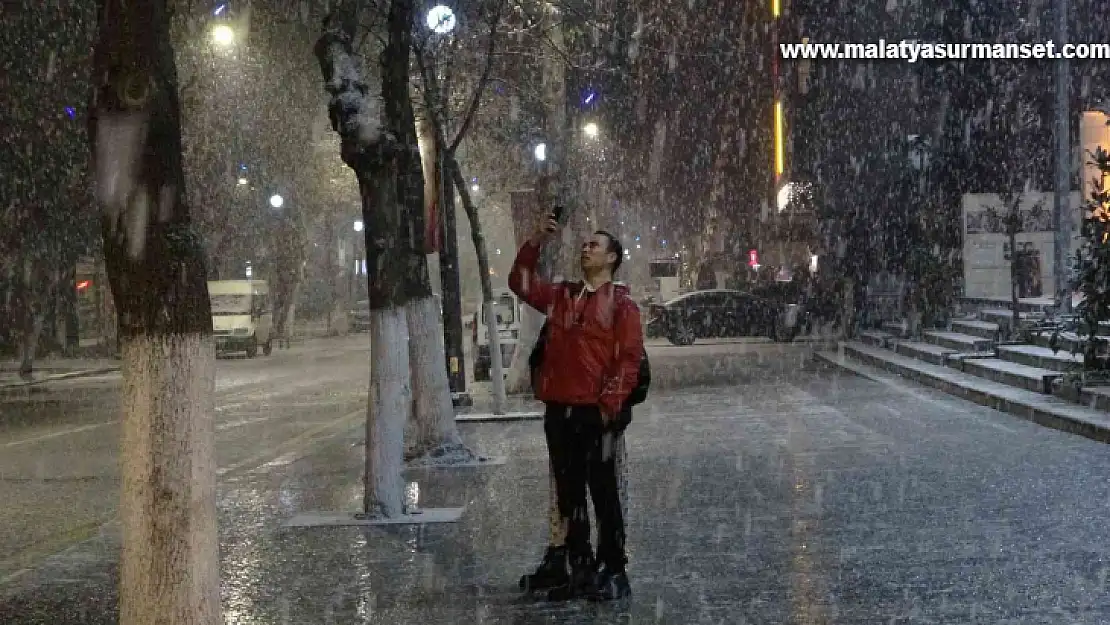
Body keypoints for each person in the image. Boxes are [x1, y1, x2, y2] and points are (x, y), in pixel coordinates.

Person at [508, 213, 643, 601]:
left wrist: (609, 406)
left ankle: (614, 569)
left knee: (603, 494)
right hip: (559, 411)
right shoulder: (563, 296)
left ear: (613, 258)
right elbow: (520, 283)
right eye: (585, 244)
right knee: (570, 497)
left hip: (595, 413)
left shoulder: (621, 304)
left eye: (595, 245)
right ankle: (580, 570)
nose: (587, 248)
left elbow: (628, 360)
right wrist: (536, 241)